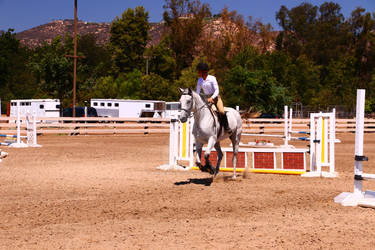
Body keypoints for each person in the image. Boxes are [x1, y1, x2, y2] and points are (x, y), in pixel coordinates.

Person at [196, 62, 230, 132]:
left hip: (216, 98)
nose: (198, 72)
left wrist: (212, 98)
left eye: (199, 71)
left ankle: (226, 127)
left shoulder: (212, 78)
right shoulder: (199, 80)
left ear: (203, 72)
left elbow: (217, 90)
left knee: (221, 111)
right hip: (206, 99)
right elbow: (197, 92)